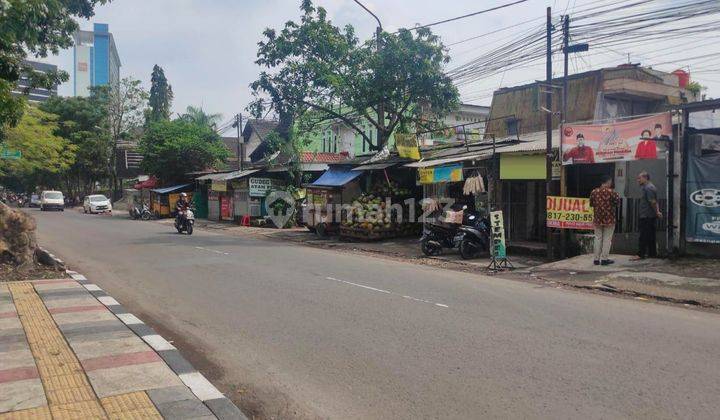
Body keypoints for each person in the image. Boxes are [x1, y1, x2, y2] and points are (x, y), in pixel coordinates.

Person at [631, 171, 662, 260]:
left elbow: (653, 202)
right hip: (648, 215)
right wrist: (657, 212)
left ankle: (641, 254)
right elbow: (654, 201)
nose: (638, 180)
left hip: (647, 216)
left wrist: (657, 212)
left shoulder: (649, 188)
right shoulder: (648, 187)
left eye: (639, 178)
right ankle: (652, 253)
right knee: (650, 235)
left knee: (643, 235)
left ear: (645, 178)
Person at [589, 176, 620, 265]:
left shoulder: (594, 192)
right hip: (609, 219)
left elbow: (591, 204)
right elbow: (617, 203)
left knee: (597, 238)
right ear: (608, 181)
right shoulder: (613, 192)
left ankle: (596, 259)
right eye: (610, 181)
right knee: (607, 239)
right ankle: (604, 259)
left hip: (597, 218)